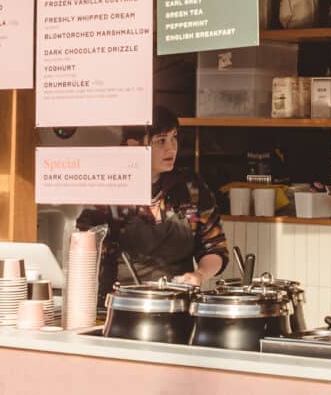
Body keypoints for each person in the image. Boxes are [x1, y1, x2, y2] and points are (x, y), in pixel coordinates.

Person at [77, 107, 229, 293]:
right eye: (161, 141)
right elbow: (84, 251)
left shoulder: (190, 188)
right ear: (134, 146)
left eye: (174, 138)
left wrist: (199, 275)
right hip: (118, 302)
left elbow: (214, 247)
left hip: (176, 301)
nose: (171, 147)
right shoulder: (109, 188)